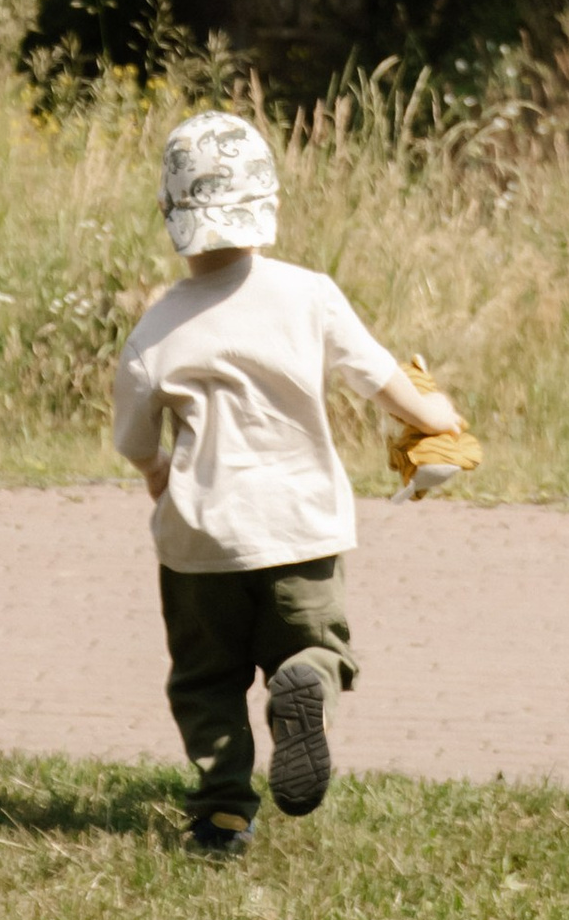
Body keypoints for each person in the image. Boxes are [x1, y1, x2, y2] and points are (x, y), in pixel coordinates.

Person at [111, 110, 466, 859]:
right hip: (302, 527)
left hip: (201, 544)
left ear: (169, 211)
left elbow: (136, 441)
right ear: (268, 204)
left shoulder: (156, 330)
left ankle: (222, 815)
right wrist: (434, 417)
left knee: (207, 682)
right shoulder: (309, 294)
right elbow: (377, 377)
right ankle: (304, 681)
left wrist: (157, 476)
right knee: (315, 644)